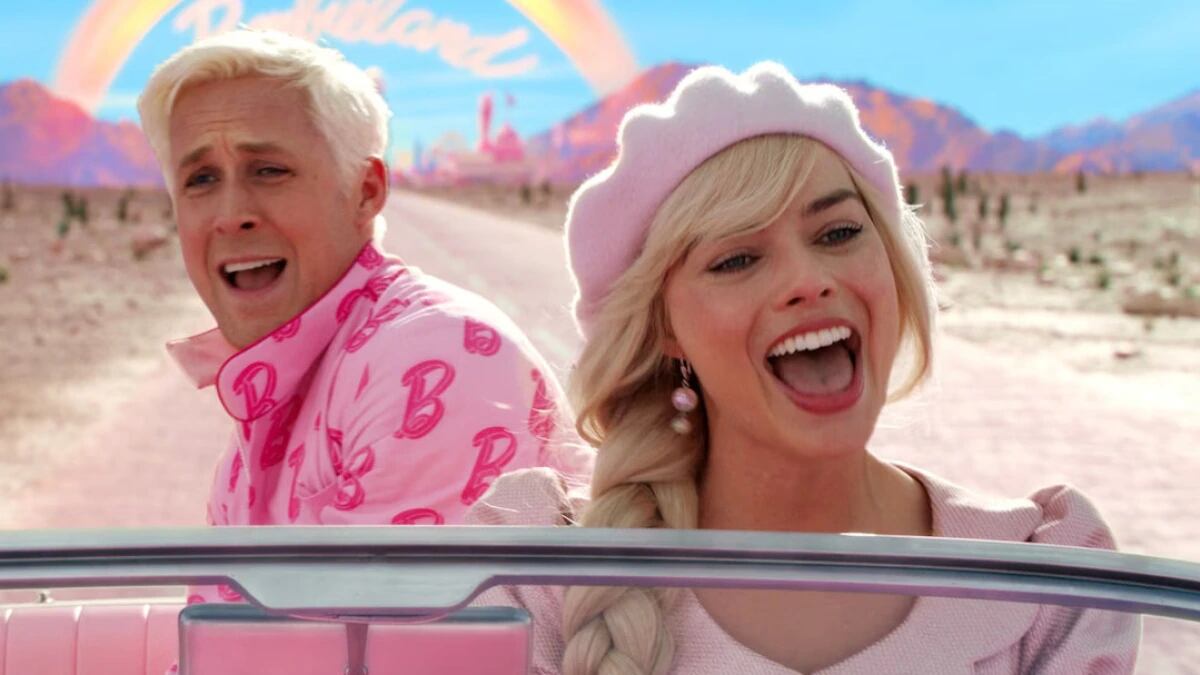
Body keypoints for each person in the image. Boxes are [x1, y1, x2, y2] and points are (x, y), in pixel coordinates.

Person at [467, 62, 1139, 673]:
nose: (807, 280)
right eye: (736, 259)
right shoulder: (539, 576)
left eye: (838, 233)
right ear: (667, 329)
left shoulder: (1044, 578)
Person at [136, 28, 590, 604]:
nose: (232, 214)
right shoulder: (282, 380)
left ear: (365, 191)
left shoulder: (434, 355)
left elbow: (375, 642)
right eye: (201, 179)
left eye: (268, 170)